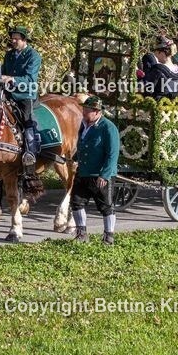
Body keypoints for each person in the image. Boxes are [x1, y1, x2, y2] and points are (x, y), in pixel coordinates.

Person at [71, 96, 119, 245]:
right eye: (84, 109)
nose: (84, 112)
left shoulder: (108, 128)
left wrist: (104, 175)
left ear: (97, 112)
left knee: (106, 206)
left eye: (87, 110)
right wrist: (74, 159)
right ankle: (81, 233)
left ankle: (108, 236)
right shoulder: (84, 125)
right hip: (83, 172)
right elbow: (82, 145)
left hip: (100, 175)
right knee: (77, 202)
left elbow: (112, 154)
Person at [1, 25, 42, 166]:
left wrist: (13, 79)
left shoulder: (34, 56)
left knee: (27, 120)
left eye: (16, 39)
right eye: (12, 39)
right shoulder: (9, 55)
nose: (13, 41)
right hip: (8, 93)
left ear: (24, 40)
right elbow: (3, 72)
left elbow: (30, 79)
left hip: (25, 94)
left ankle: (31, 152)